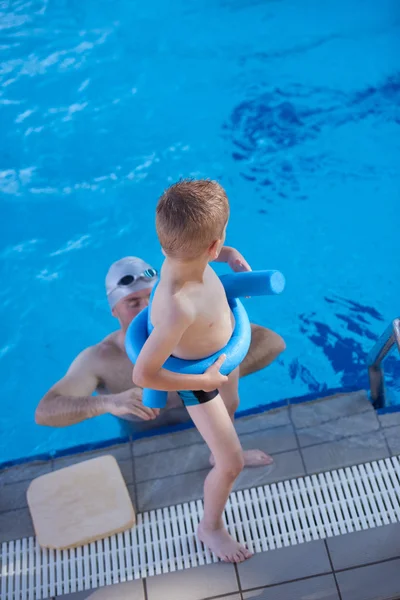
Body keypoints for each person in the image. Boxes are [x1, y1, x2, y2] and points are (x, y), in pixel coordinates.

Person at [131, 179, 276, 564]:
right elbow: (143, 374)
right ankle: (209, 527)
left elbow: (198, 250)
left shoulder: (184, 254)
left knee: (234, 405)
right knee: (233, 463)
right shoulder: (178, 305)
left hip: (220, 359)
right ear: (210, 244)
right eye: (220, 244)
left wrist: (228, 255)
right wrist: (204, 381)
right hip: (200, 378)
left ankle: (217, 452)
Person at [35, 255, 285, 432]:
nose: (145, 309)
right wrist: (109, 403)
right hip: (144, 439)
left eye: (151, 298)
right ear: (114, 310)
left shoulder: (189, 333)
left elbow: (273, 343)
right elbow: (45, 410)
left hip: (209, 430)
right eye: (133, 303)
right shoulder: (100, 359)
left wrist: (218, 371)